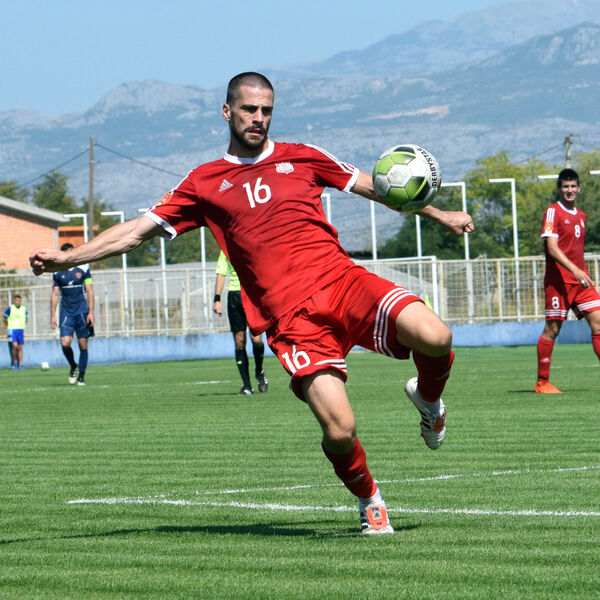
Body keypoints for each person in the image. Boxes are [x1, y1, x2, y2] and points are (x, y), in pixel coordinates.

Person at [30, 72, 474, 534]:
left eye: (266, 110)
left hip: (342, 283)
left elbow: (380, 186)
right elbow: (133, 233)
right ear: (228, 112)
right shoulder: (203, 182)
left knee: (436, 335)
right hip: (293, 321)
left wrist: (440, 214)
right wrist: (69, 257)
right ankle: (369, 499)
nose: (258, 118)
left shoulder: (303, 156)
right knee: (340, 429)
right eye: (249, 109)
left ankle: (428, 400)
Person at [535, 168, 600, 393]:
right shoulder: (552, 212)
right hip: (559, 282)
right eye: (565, 186)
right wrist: (575, 270)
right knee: (552, 329)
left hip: (581, 283)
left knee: (599, 323)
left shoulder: (581, 216)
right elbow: (552, 248)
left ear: (579, 188)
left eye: (573, 186)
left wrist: (580, 273)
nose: (569, 190)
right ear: (559, 189)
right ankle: (542, 382)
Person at [213, 250, 268, 395]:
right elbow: (221, 274)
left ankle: (259, 371)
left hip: (252, 295)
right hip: (234, 296)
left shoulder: (250, 245)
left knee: (256, 340)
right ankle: (247, 386)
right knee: (239, 342)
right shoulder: (225, 249)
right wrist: (217, 299)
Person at [50, 243, 95, 386]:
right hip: (66, 313)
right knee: (65, 343)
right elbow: (55, 294)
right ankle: (73, 366)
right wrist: (52, 315)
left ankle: (81, 376)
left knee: (83, 343)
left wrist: (91, 312)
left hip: (82, 311)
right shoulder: (57, 271)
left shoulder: (83, 268)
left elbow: (89, 290)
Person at [3, 294, 28, 370]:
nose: (18, 302)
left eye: (19, 301)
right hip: (12, 329)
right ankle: (14, 363)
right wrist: (9, 325)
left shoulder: (23, 309)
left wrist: (22, 324)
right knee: (14, 346)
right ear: (14, 301)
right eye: (17, 300)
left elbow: (27, 318)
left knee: (20, 347)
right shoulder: (11, 308)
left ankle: (20, 364)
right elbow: (4, 318)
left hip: (20, 330)